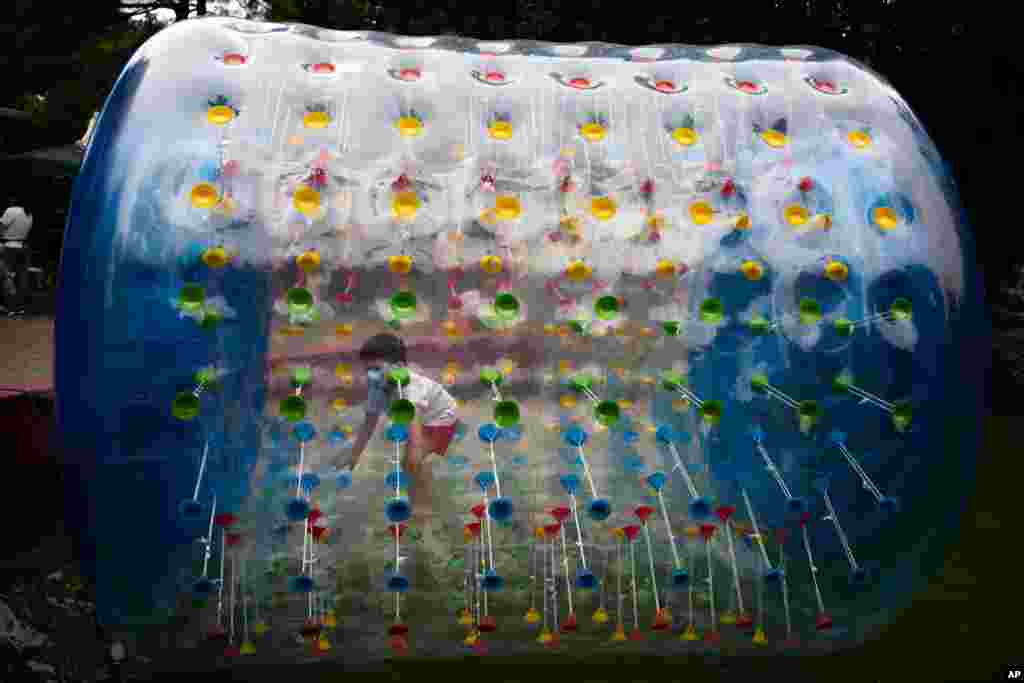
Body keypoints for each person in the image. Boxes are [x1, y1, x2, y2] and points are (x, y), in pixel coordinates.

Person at [342, 333, 459, 532]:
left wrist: (415, 449)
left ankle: (424, 510)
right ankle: (420, 500)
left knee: (412, 461)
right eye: (368, 370)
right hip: (422, 418)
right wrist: (355, 453)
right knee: (412, 462)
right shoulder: (377, 386)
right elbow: (369, 421)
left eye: (376, 369)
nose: (371, 375)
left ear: (398, 367)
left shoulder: (411, 387)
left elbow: (414, 418)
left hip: (441, 418)